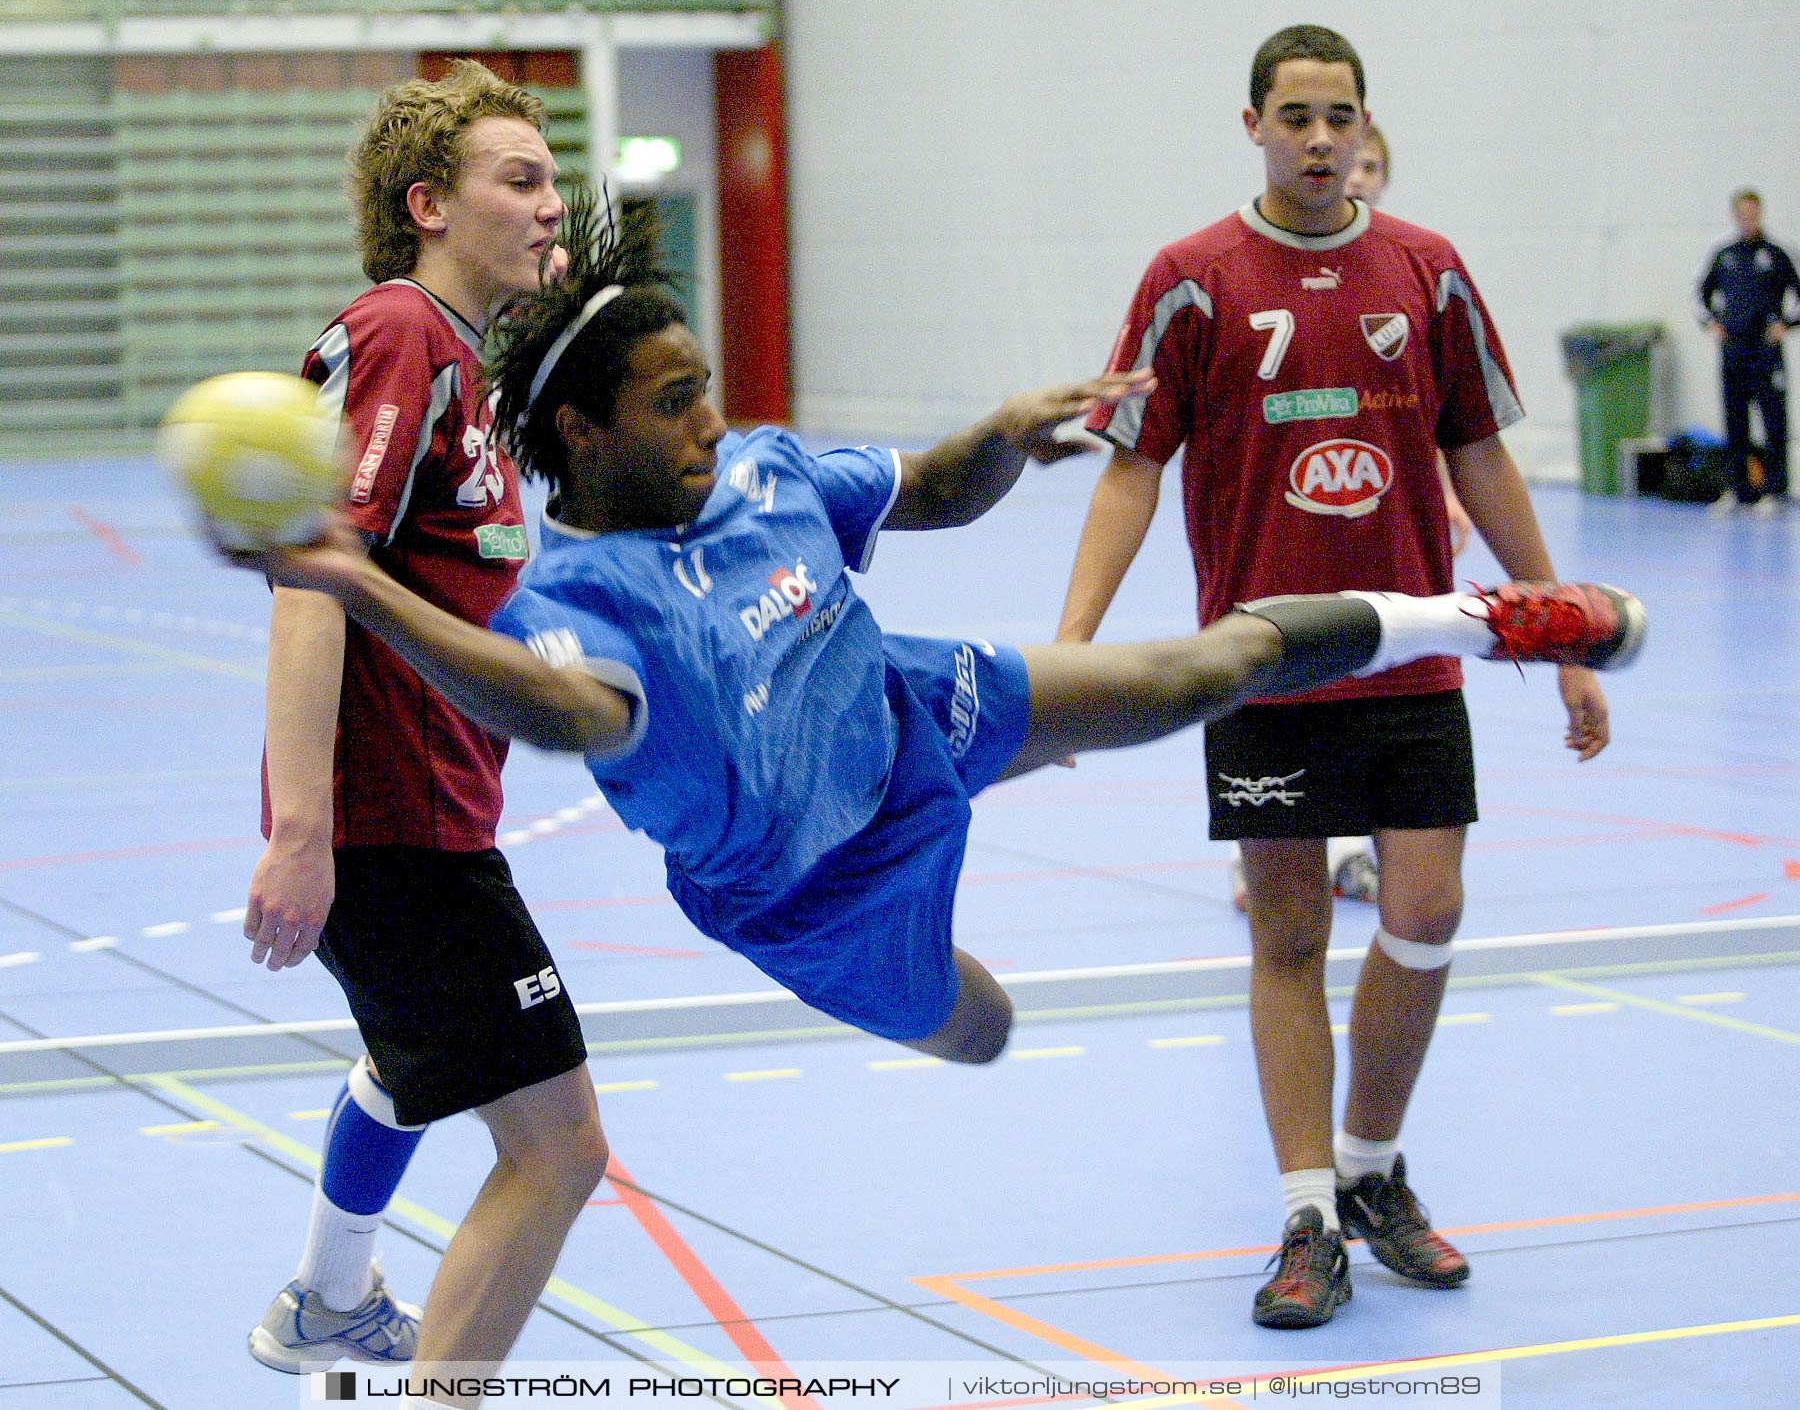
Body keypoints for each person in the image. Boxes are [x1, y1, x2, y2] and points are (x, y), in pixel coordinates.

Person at [221, 192, 1641, 1391]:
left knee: (1194, 674)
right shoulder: (582, 599)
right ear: (584, 433)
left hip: (906, 710)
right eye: (674, 402)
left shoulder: (764, 475)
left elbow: (936, 488)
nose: (714, 417)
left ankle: (1491, 619)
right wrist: (358, 583)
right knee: (985, 1030)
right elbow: (557, 708)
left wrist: (1009, 431)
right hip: (810, 891)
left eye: (709, 381)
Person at [1055, 24, 1621, 1329]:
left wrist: (1561, 631)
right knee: (1291, 933)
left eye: (1341, 117)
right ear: (1251, 122)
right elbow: (1134, 466)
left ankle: (1374, 1170)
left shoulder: (1426, 272)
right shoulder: (1191, 280)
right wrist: (1074, 650)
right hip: (1261, 663)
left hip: (1418, 651)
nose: (1320, 139)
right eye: (1296, 115)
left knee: (1427, 910)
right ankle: (1309, 1208)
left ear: (1366, 128)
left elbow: (1479, 457)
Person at [239, 60, 607, 1395]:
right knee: (560, 1148)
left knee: (414, 1061)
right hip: (399, 834)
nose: (551, 204)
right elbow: (311, 574)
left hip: (441, 816)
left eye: (556, 178)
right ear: (428, 205)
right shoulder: (402, 334)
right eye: (520, 178)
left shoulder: (468, 369)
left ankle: (331, 1300)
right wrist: (301, 835)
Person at [1224, 122, 1476, 916]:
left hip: (1382, 548)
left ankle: (1367, 854)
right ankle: (1275, 851)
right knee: (1303, 676)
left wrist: (1448, 492)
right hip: (1292, 548)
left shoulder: (1409, 269)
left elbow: (1415, 418)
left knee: (1386, 676)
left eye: (1369, 164)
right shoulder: (1240, 276)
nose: (1351, 171)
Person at [1697, 188, 1799, 514]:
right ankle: (1740, 489)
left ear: (1760, 213)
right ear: (1734, 216)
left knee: (1773, 420)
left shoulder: (1777, 254)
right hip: (1734, 350)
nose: (1747, 220)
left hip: (1766, 351)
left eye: (1752, 213)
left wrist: (1786, 324)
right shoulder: (1724, 254)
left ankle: (1775, 490)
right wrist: (1712, 323)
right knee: (1735, 419)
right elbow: (1700, 296)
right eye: (1742, 214)